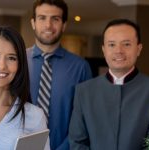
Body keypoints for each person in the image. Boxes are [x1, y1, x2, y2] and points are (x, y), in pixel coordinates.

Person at [68, 19, 149, 150]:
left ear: (138, 49)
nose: (118, 51)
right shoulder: (84, 92)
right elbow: (77, 142)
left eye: (126, 44)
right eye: (111, 45)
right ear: (104, 50)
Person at [27, 0, 92, 149]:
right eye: (42, 18)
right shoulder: (17, 62)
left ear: (64, 25)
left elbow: (85, 118)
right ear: (33, 22)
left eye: (55, 19)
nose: (48, 25)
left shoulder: (81, 67)